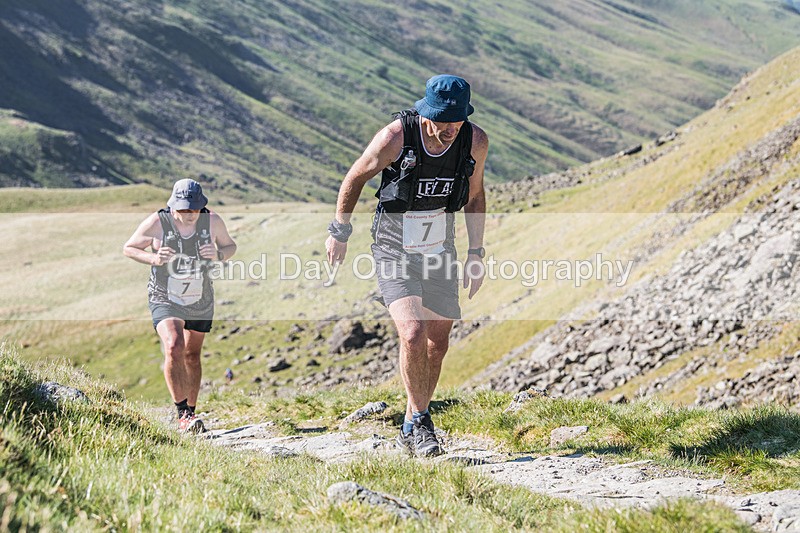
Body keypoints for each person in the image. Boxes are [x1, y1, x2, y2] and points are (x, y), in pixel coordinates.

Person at [326, 75, 488, 456]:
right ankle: (420, 422)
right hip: (393, 246)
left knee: (438, 342)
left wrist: (476, 253)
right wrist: (340, 230)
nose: (449, 129)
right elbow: (356, 177)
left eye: (457, 120)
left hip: (439, 247)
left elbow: (476, 195)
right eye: (442, 120)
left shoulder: (474, 141)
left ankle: (413, 419)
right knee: (413, 333)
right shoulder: (397, 136)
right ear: (425, 111)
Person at [123, 179, 236, 433]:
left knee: (192, 356)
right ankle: (182, 412)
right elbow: (129, 248)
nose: (188, 214)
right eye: (183, 209)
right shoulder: (158, 222)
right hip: (165, 295)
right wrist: (153, 257)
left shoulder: (212, 221)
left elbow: (230, 246)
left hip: (200, 297)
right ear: (173, 206)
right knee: (174, 343)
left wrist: (218, 255)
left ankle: (191, 416)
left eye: (193, 209)